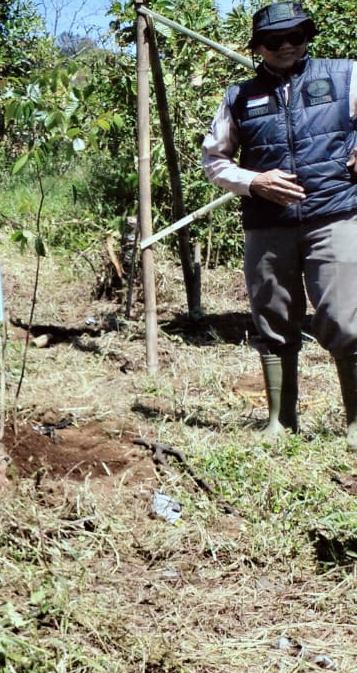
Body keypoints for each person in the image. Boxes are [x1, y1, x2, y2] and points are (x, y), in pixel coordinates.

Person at [202, 1, 357, 448]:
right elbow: (214, 160)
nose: (288, 45)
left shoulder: (346, 75)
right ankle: (281, 421)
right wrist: (254, 180)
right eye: (275, 40)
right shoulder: (239, 97)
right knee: (272, 316)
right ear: (259, 48)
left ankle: (354, 422)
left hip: (336, 214)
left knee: (345, 318)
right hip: (266, 224)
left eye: (297, 36)